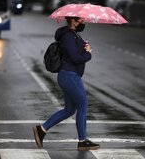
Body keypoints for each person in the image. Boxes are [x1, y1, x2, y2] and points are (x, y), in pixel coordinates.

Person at [33, 16, 100, 151]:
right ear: (73, 21)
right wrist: (88, 54)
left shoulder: (73, 35)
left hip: (68, 76)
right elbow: (75, 58)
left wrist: (84, 47)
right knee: (83, 105)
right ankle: (82, 141)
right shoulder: (69, 36)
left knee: (69, 110)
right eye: (82, 20)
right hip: (70, 76)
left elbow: (73, 54)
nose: (84, 22)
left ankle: (41, 129)